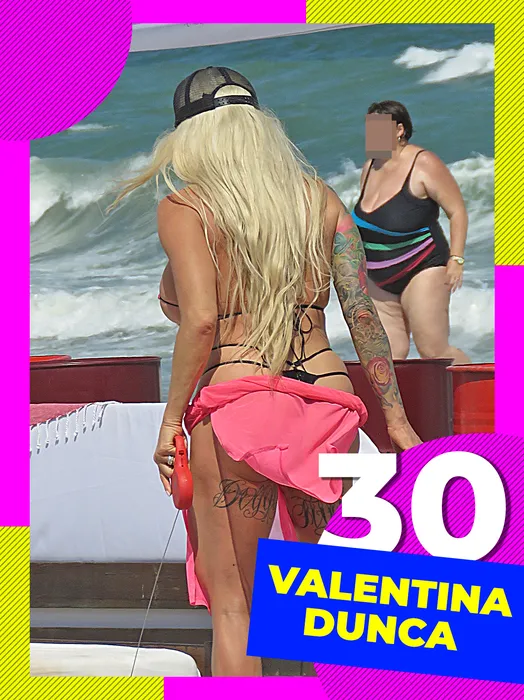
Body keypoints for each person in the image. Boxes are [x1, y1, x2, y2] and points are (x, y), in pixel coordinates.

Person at [112, 67, 421, 677]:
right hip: (327, 405)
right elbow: (362, 313)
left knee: (238, 610)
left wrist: (170, 423)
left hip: (238, 402)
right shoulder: (321, 199)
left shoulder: (187, 207)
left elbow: (200, 320)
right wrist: (397, 419)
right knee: (329, 609)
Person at [352, 101, 470, 364]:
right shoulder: (370, 166)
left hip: (422, 267)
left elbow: (457, 211)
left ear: (399, 130)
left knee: (433, 351)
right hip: (378, 279)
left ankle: (484, 387)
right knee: (389, 358)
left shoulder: (423, 163)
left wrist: (456, 258)